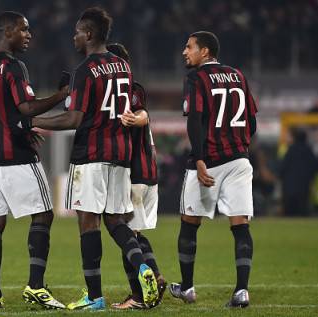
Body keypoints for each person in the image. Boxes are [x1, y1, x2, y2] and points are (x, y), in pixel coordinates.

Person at [31, 7, 159, 310]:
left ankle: (95, 297)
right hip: (120, 155)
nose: (74, 36)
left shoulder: (85, 71)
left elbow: (74, 118)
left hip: (91, 153)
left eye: (77, 31)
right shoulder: (123, 67)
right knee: (115, 220)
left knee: (88, 224)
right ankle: (143, 267)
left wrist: (36, 122)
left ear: (88, 34)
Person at [0, 11, 68, 309]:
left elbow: (0, 111)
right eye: (24, 30)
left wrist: (22, 128)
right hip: (16, 157)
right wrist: (61, 95)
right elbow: (25, 108)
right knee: (45, 214)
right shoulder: (14, 67)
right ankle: (36, 286)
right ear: (9, 30)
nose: (29, 35)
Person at [169, 31, 258, 308]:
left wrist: (198, 158)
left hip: (208, 161)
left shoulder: (196, 78)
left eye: (189, 47)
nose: (185, 52)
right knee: (240, 226)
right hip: (239, 160)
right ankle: (241, 291)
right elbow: (252, 122)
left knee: (189, 222)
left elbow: (194, 120)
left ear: (204, 51)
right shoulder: (238, 75)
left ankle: (187, 288)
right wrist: (239, 146)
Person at [105, 43, 166, 310]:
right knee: (135, 235)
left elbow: (141, 114)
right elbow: (144, 114)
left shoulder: (124, 92)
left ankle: (138, 296)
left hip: (132, 175)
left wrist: (138, 119)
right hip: (149, 173)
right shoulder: (131, 90)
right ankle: (157, 277)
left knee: (124, 234)